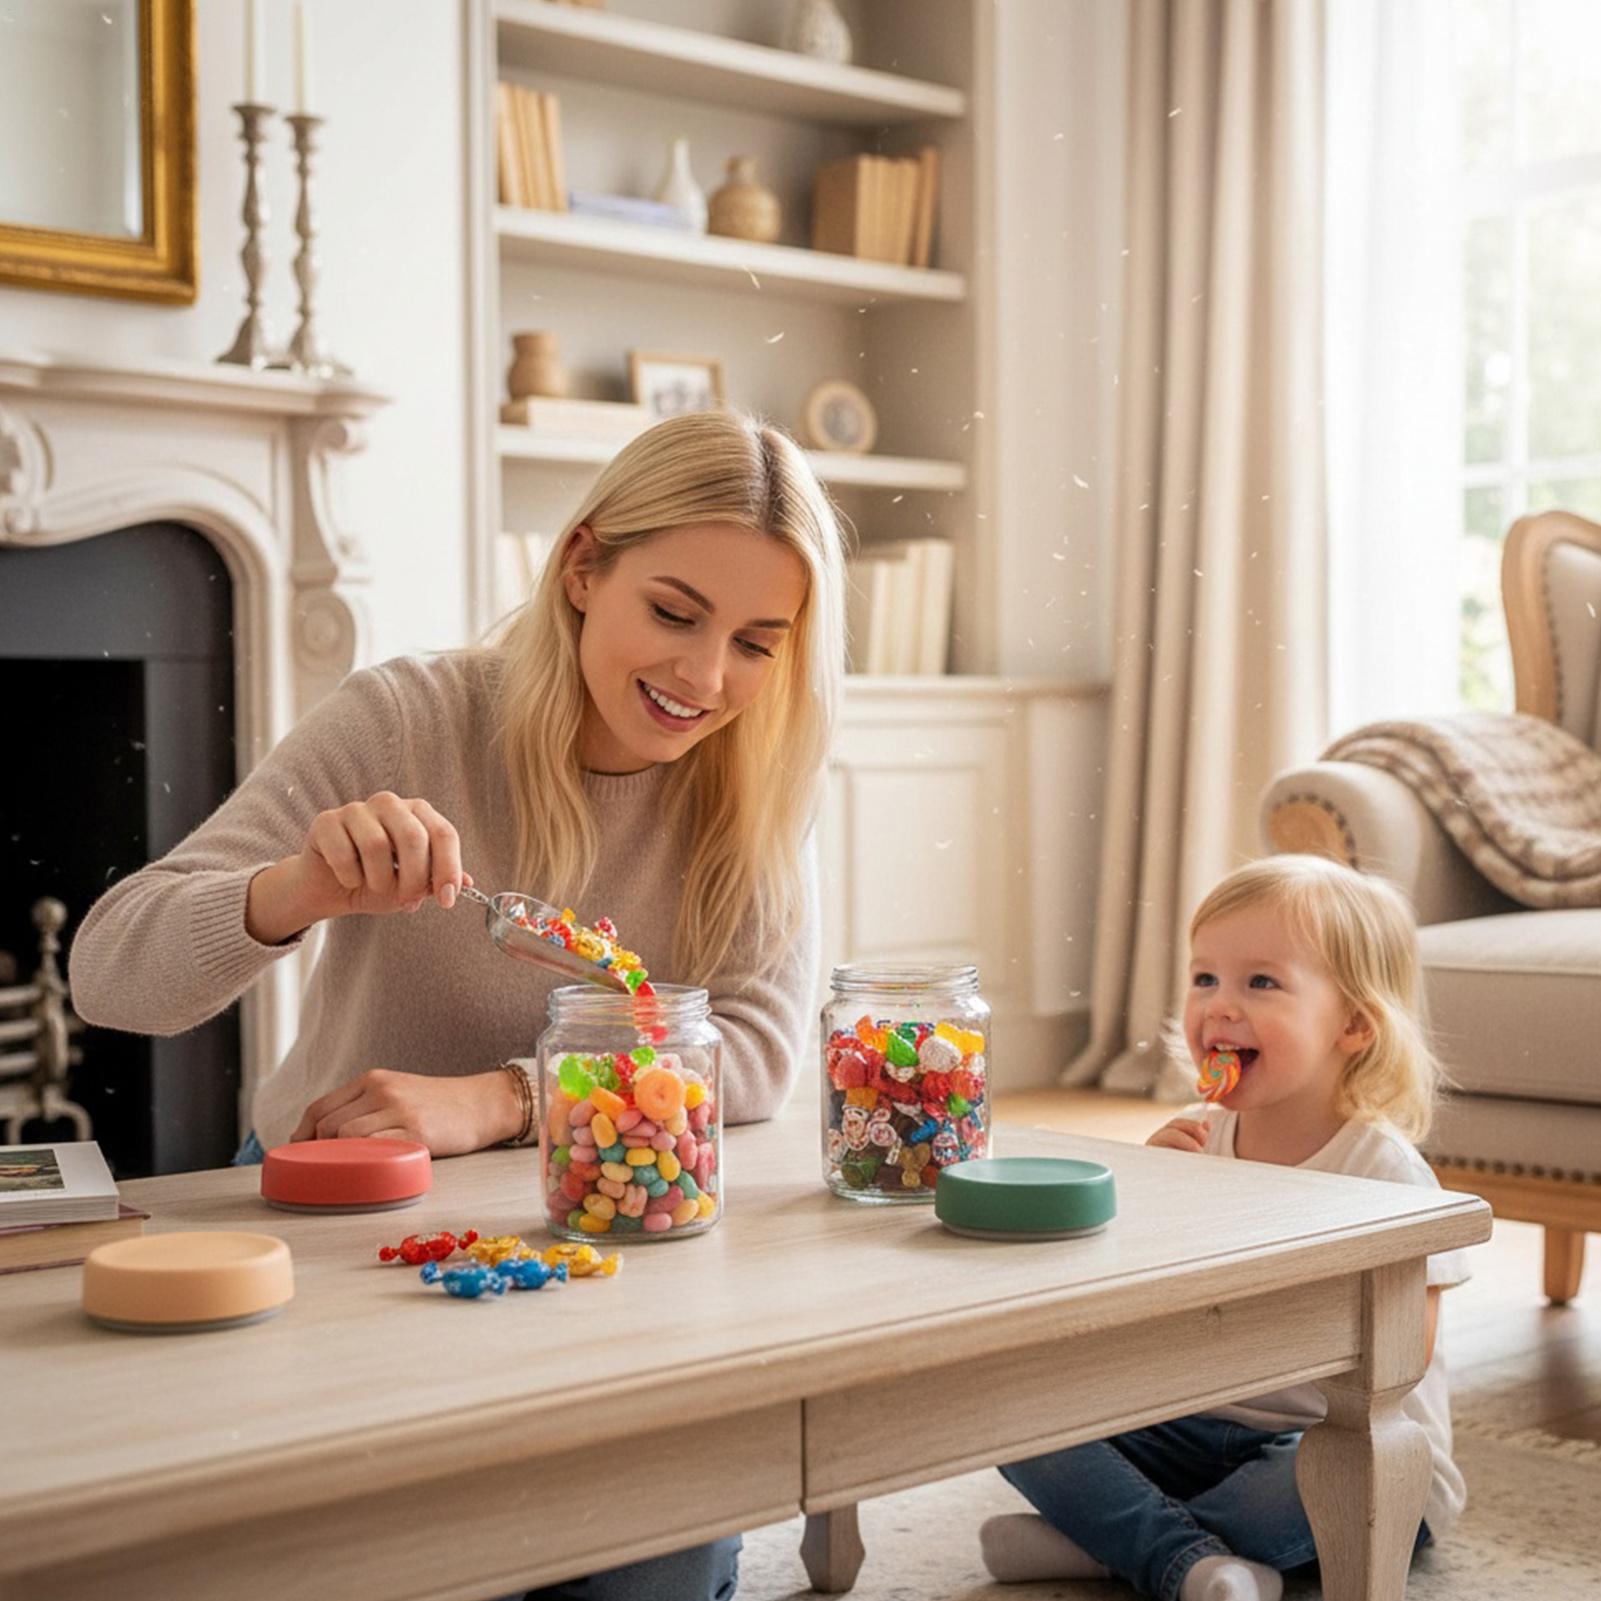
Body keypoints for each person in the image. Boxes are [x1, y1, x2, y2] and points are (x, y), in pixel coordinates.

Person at [68, 409, 848, 1601]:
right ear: (581, 567)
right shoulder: (407, 717)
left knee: (651, 1569)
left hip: (607, 1240)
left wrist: (502, 1098)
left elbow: (753, 1048)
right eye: (673, 612)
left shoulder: (758, 782)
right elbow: (109, 972)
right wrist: (292, 889)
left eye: (756, 642)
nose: (704, 678)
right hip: (344, 1225)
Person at [980, 855, 1471, 1601]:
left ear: (1353, 1024)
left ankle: (1123, 1546)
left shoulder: (1383, 1172)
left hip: (1335, 1441)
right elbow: (1138, 1297)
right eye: (1204, 977)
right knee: (1016, 1416)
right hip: (1191, 1425)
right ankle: (1184, 1556)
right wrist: (1149, 1193)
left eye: (1260, 982)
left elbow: (1403, 1354)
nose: (1219, 1005)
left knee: (1328, 1483)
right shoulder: (1200, 1140)